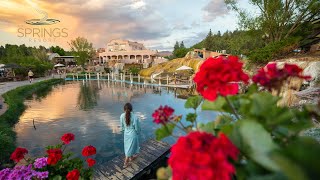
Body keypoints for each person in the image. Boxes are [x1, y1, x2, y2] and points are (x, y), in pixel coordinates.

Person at [120, 103, 140, 168]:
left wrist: (124, 131)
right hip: (132, 134)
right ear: (131, 109)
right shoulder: (135, 117)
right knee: (129, 148)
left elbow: (122, 127)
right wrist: (137, 132)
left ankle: (131, 157)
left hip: (126, 134)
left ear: (124, 109)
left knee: (128, 147)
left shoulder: (122, 116)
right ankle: (125, 163)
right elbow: (137, 128)